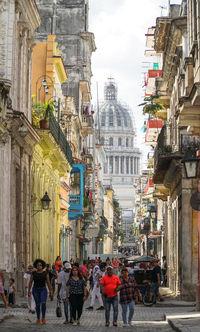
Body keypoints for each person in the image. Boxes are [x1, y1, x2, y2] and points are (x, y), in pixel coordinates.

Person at [28, 259, 52, 324]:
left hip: (43, 289)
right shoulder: (33, 273)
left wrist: (50, 291)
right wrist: (29, 291)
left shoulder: (45, 273)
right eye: (38, 265)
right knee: (37, 304)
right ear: (36, 266)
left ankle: (43, 318)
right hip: (35, 289)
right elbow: (30, 282)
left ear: (42, 266)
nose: (39, 266)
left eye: (40, 265)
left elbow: (48, 282)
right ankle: (38, 318)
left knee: (43, 303)